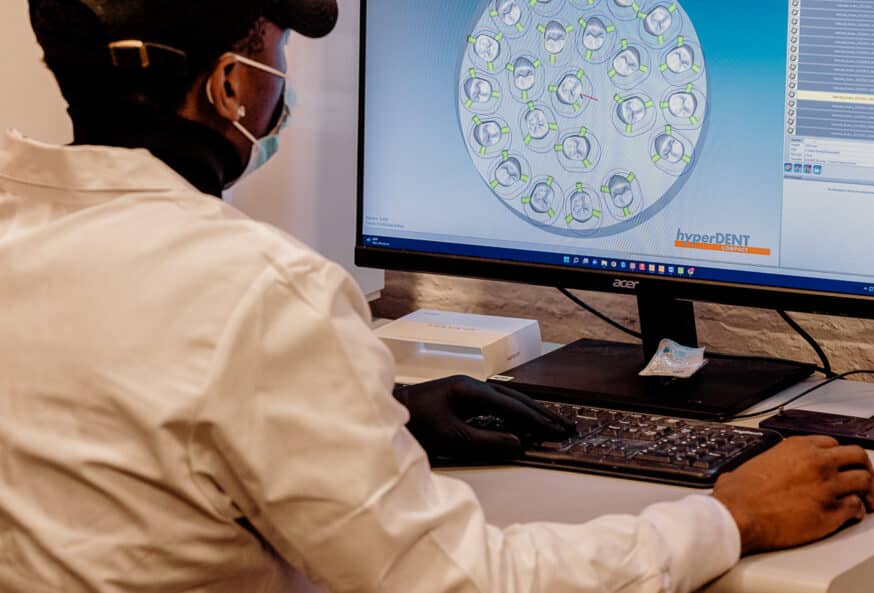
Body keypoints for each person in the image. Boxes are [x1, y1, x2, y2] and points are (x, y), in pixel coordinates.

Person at [1, 1, 872, 592]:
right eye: (274, 49)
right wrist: (729, 518)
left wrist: (382, 409)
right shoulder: (263, 292)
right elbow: (459, 580)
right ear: (230, 86)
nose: (279, 80)